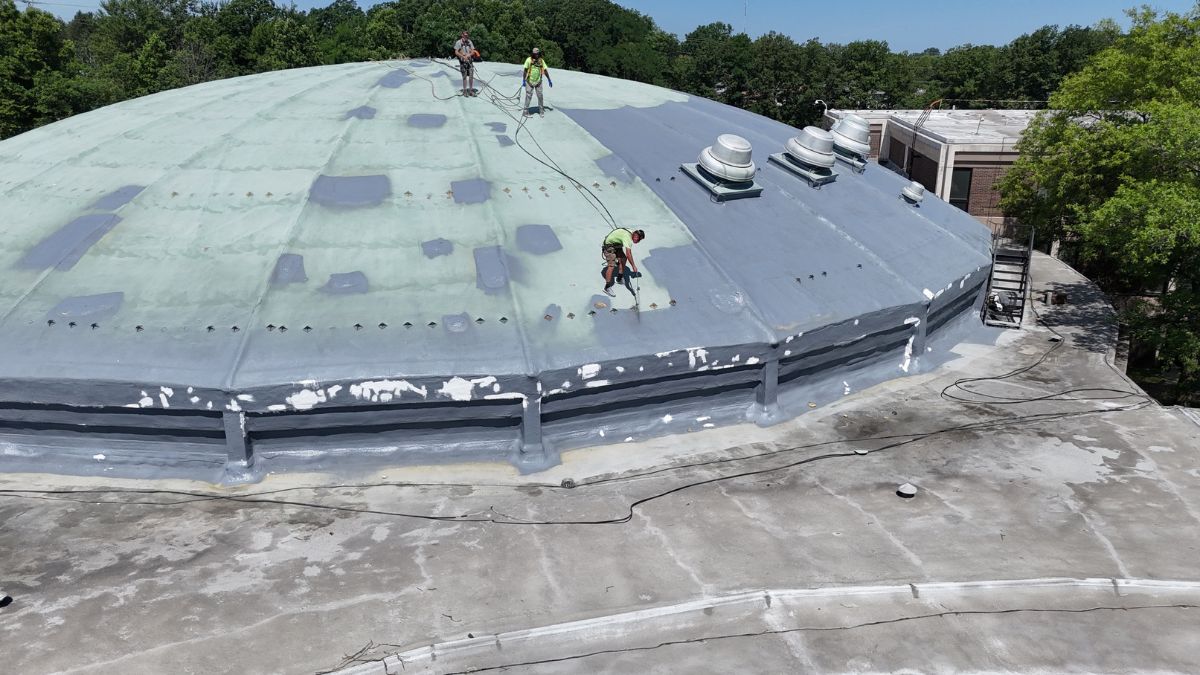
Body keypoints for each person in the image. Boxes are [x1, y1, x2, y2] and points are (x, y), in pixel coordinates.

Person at [602, 228, 644, 297]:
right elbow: (628, 254)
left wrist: (618, 236)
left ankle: (619, 278)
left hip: (617, 245)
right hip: (608, 246)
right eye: (637, 238)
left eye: (639, 239)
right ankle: (607, 287)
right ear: (635, 234)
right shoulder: (628, 238)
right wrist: (633, 266)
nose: (638, 240)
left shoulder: (630, 232)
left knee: (623, 259)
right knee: (611, 266)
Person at [522, 47, 553, 117]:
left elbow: (545, 70)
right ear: (533, 54)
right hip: (529, 81)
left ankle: (541, 111)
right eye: (535, 54)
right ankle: (525, 112)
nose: (536, 55)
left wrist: (549, 80)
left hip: (538, 81)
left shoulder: (541, 61)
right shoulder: (528, 60)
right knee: (528, 96)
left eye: (537, 54)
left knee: (540, 96)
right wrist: (523, 80)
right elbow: (525, 70)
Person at [454, 31, 476, 96]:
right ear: (462, 35)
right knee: (464, 77)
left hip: (470, 62)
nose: (466, 37)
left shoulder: (470, 42)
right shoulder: (458, 42)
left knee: (471, 76)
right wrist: (463, 56)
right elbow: (456, 52)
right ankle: (464, 91)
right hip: (463, 62)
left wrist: (468, 55)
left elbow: (473, 51)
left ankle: (471, 91)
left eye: (467, 36)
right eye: (465, 35)